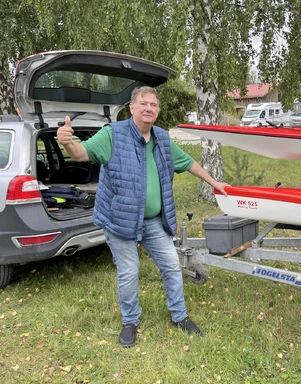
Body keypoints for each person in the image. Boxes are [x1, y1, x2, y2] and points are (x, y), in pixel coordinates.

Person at [57, 86, 229, 347]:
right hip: (120, 220)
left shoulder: (161, 138)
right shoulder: (112, 135)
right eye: (144, 103)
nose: (149, 108)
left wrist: (215, 183)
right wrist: (68, 142)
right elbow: (82, 154)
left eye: (154, 104)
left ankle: (179, 316)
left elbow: (188, 162)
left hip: (153, 221)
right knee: (128, 272)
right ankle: (130, 322)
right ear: (132, 107)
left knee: (171, 265)